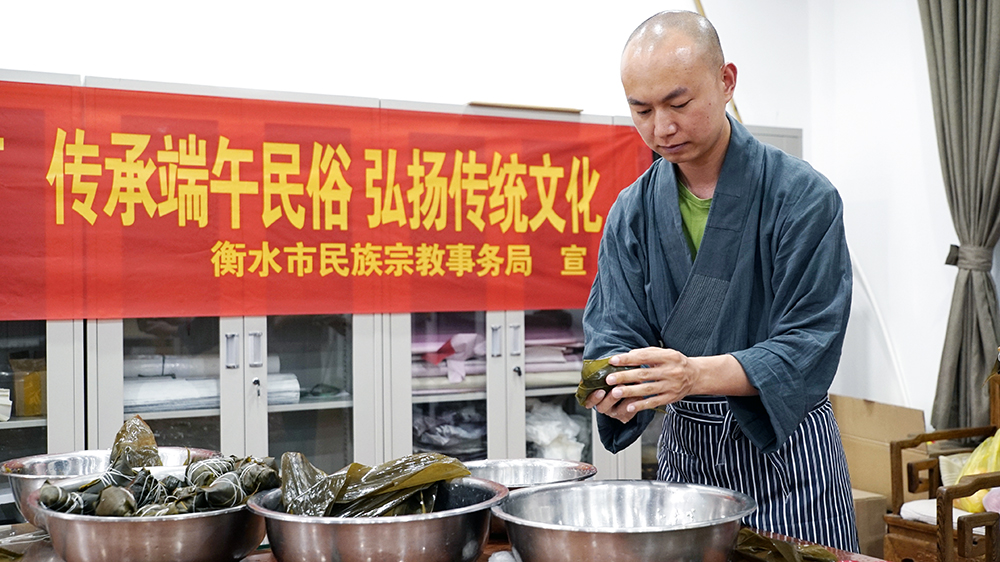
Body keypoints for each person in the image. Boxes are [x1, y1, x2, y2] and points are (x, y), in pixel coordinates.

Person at [582, 10, 858, 551]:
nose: (660, 128)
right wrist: (616, 385)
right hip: (689, 461)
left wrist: (690, 375)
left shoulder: (803, 198)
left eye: (678, 104)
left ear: (727, 81)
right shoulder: (631, 212)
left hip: (788, 458)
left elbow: (808, 343)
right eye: (641, 109)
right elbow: (613, 329)